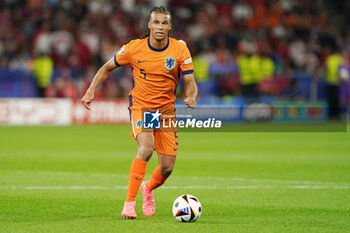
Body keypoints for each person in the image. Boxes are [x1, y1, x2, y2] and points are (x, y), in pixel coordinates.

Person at [81, 6, 197, 219]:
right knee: (146, 149)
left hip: (167, 111)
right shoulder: (134, 48)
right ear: (149, 25)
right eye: (156, 22)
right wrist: (90, 91)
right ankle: (129, 204)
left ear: (170, 26)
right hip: (143, 107)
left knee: (167, 168)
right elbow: (106, 67)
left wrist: (191, 96)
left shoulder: (180, 50)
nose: (160, 27)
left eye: (164, 23)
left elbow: (190, 81)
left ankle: (148, 188)